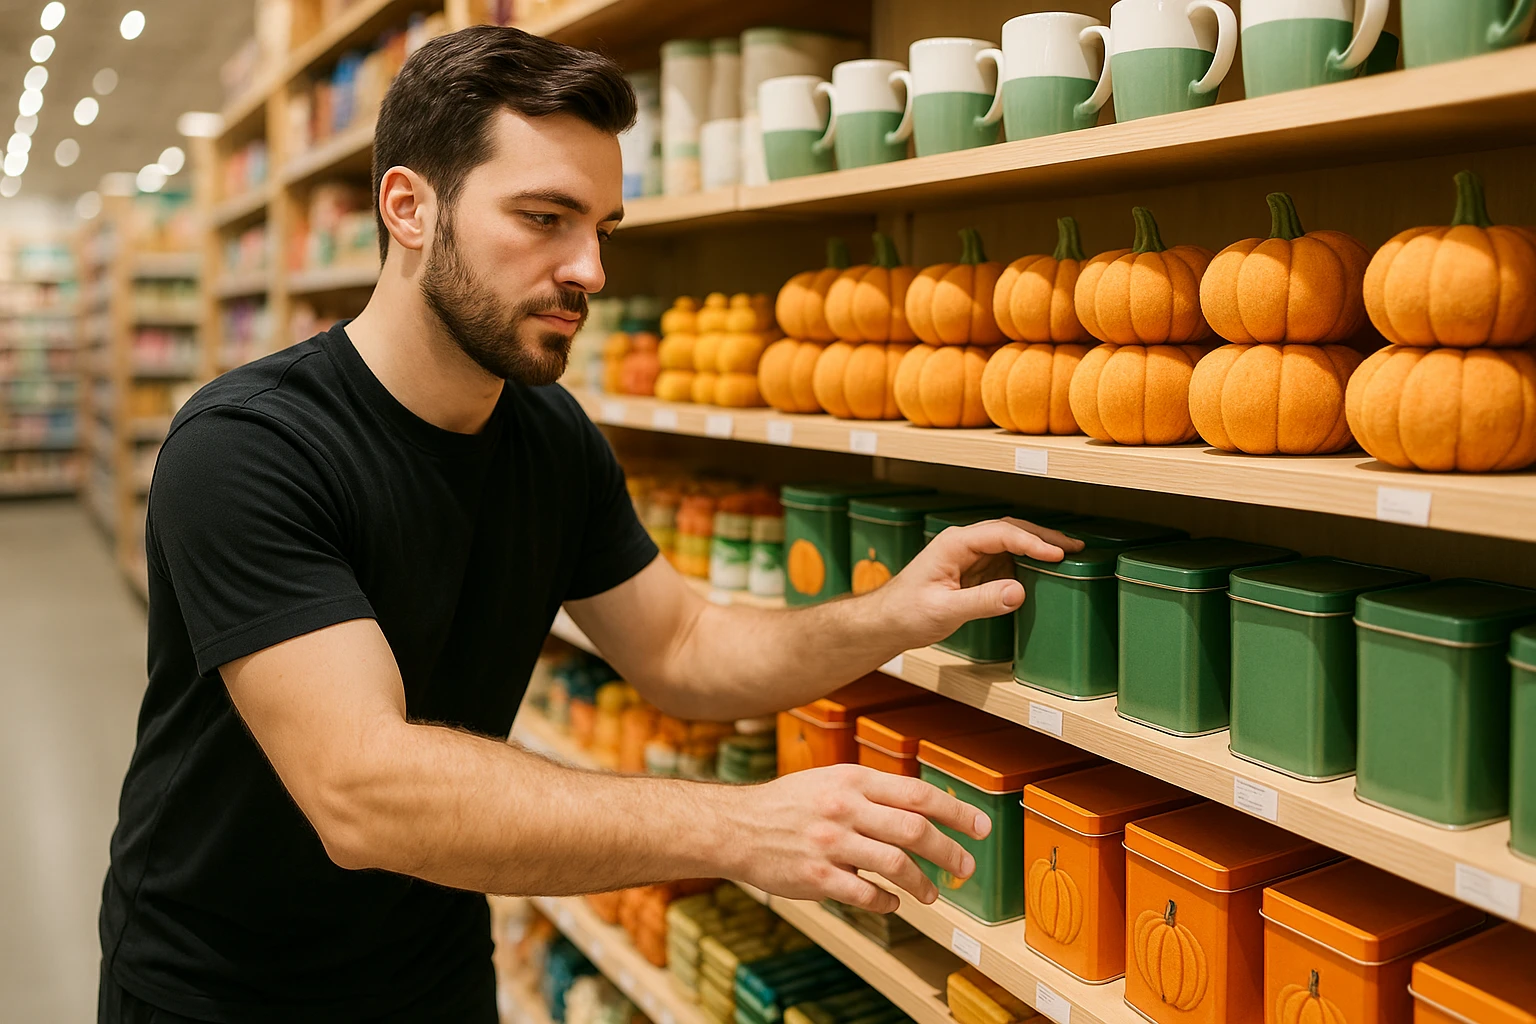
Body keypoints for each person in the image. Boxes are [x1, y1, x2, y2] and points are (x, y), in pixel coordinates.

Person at [98, 25, 1080, 1024]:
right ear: (408, 207)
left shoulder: (546, 433)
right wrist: (738, 826)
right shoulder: (248, 447)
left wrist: (885, 616)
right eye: (544, 217)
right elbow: (362, 787)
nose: (590, 270)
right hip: (218, 987)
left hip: (431, 963)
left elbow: (681, 646)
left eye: (602, 227)